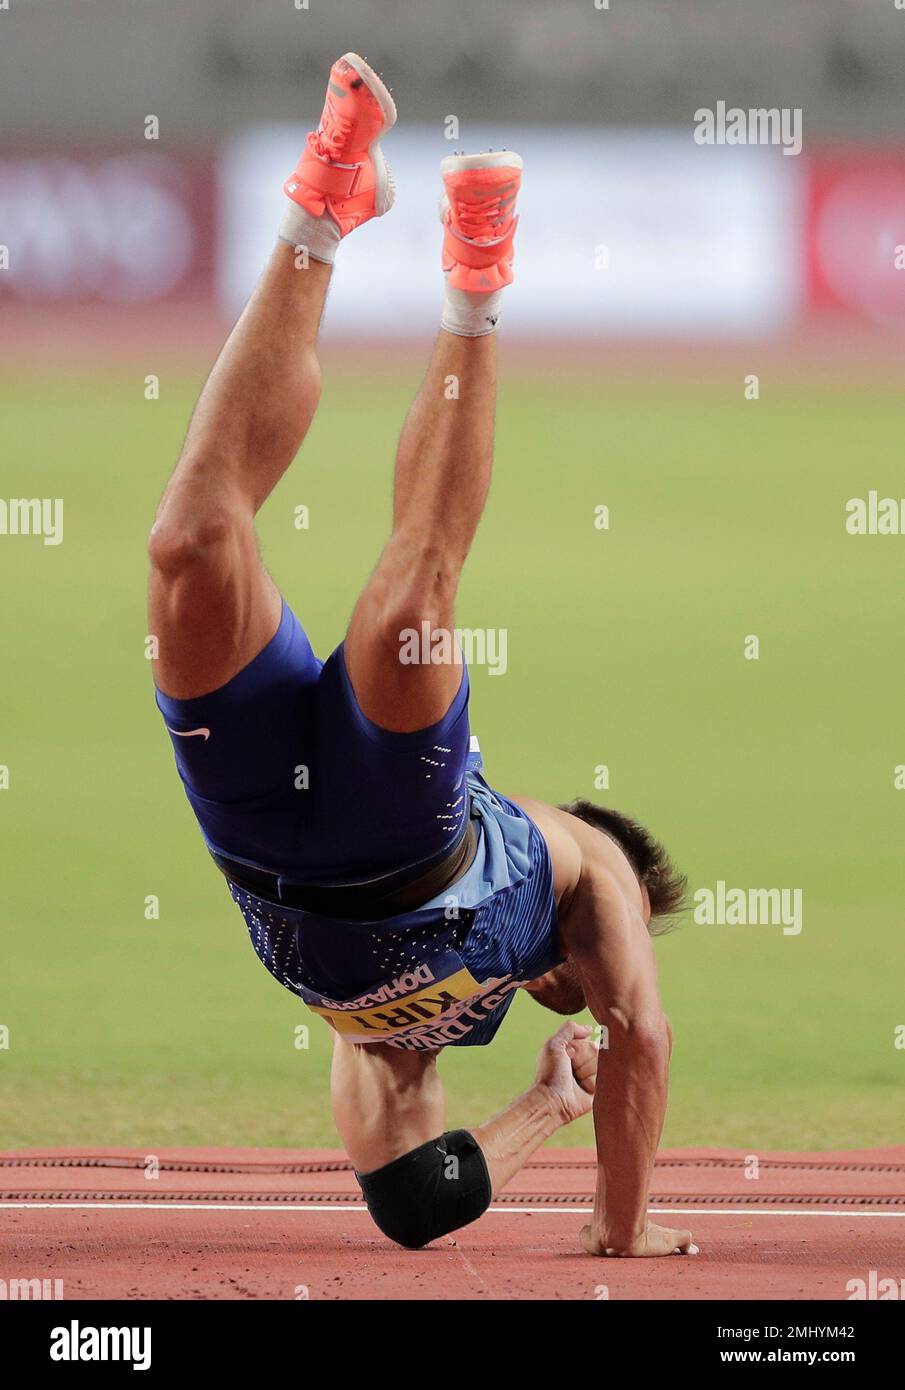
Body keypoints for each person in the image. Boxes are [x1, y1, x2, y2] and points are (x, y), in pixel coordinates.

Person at [149, 52, 696, 1259]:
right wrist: (621, 1226)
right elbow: (645, 1038)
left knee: (191, 547)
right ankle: (453, 262)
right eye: (595, 975)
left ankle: (333, 216)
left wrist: (548, 1104)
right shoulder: (584, 866)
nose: (580, 993)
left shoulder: (389, 1044)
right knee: (410, 601)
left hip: (253, 839)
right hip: (413, 833)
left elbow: (412, 1207)